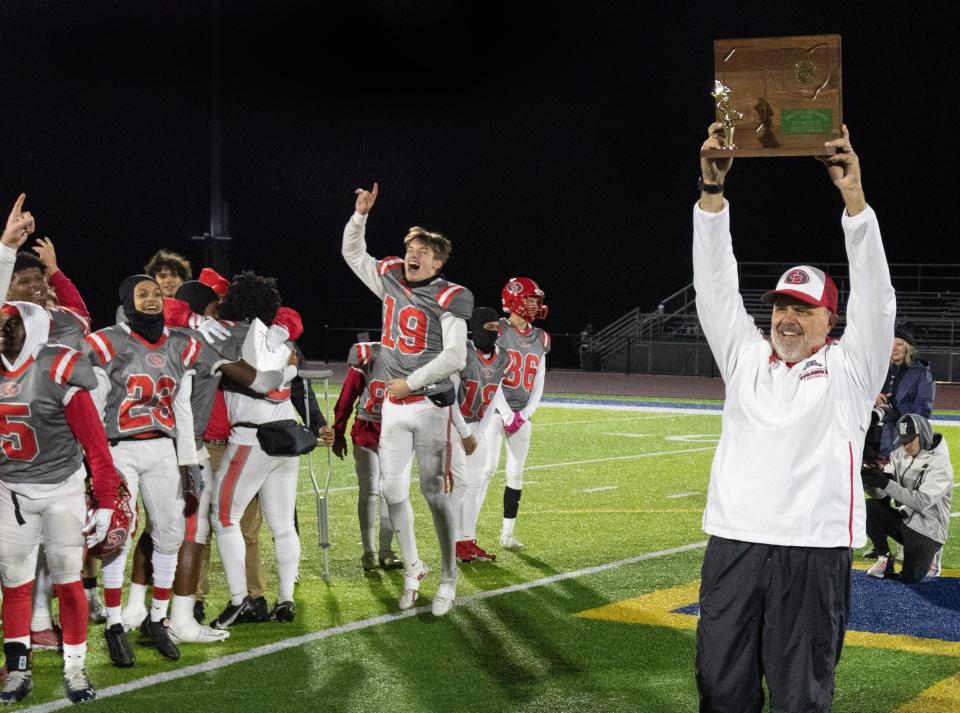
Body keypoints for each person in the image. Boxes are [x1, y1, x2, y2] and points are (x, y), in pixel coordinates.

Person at [692, 124, 895, 713]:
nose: (787, 318)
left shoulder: (852, 371)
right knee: (720, 690)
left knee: (800, 697)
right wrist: (712, 195)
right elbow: (713, 289)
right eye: (781, 306)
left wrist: (854, 204)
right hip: (734, 545)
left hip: (813, 552)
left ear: (829, 321)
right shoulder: (744, 358)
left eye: (803, 310)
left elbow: (878, 300)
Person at [341, 183, 473, 616]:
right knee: (390, 489)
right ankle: (414, 567)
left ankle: (450, 578)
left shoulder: (452, 295)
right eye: (410, 247)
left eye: (422, 250)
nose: (412, 254)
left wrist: (412, 381)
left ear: (437, 261)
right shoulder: (393, 278)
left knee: (433, 492)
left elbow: (455, 356)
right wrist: (360, 217)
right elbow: (354, 256)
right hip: (394, 407)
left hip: (430, 404)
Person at [0, 301, 121, 704]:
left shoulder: (58, 368)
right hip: (10, 490)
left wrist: (104, 500)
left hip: (61, 489)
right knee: (15, 584)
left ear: (33, 328)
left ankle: (74, 666)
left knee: (69, 582)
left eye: (12, 323)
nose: (3, 330)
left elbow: (96, 445)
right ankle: (18, 670)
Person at [85, 274, 202, 666]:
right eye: (143, 293)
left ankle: (158, 618)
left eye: (156, 293)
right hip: (118, 448)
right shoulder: (109, 342)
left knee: (169, 532)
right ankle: (115, 624)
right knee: (120, 530)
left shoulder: (181, 344)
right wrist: (95, 462)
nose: (152, 300)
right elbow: (95, 405)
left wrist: (189, 461)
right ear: (128, 300)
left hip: (163, 448)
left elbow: (182, 409)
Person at [487, 278, 550, 550]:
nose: (535, 306)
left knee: (515, 473)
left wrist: (524, 413)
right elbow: (491, 374)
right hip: (493, 410)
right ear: (514, 300)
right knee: (486, 470)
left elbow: (539, 380)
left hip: (521, 414)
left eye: (536, 300)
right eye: (530, 300)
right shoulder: (497, 330)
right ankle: (465, 535)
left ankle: (507, 534)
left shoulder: (541, 337)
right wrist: (505, 412)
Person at [332, 341, 403, 572]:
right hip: (368, 427)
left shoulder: (414, 357)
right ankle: (369, 552)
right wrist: (339, 430)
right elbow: (347, 396)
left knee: (392, 491)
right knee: (371, 488)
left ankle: (386, 550)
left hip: (397, 431)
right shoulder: (371, 354)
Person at [862, 414, 952, 582]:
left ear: (923, 434)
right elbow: (883, 494)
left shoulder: (941, 464)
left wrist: (886, 483)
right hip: (904, 520)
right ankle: (884, 559)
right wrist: (869, 481)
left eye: (910, 440)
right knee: (870, 506)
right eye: (903, 441)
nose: (906, 446)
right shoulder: (899, 454)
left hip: (928, 530)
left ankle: (934, 550)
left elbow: (922, 502)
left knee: (911, 578)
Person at [452, 307, 509, 561]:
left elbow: (495, 395)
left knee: (475, 485)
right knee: (460, 486)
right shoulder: (461, 352)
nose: (495, 334)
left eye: (497, 328)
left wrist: (481, 432)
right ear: (475, 328)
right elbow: (450, 397)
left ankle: (467, 539)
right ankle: (452, 542)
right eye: (489, 329)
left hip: (478, 425)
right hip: (455, 426)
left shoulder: (502, 358)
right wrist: (464, 433)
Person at [875, 322, 935, 459]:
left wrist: (895, 412)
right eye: (891, 343)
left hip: (905, 441)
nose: (894, 348)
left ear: (908, 347)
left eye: (899, 344)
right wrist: (873, 395)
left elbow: (922, 411)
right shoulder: (877, 369)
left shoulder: (922, 373)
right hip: (876, 442)